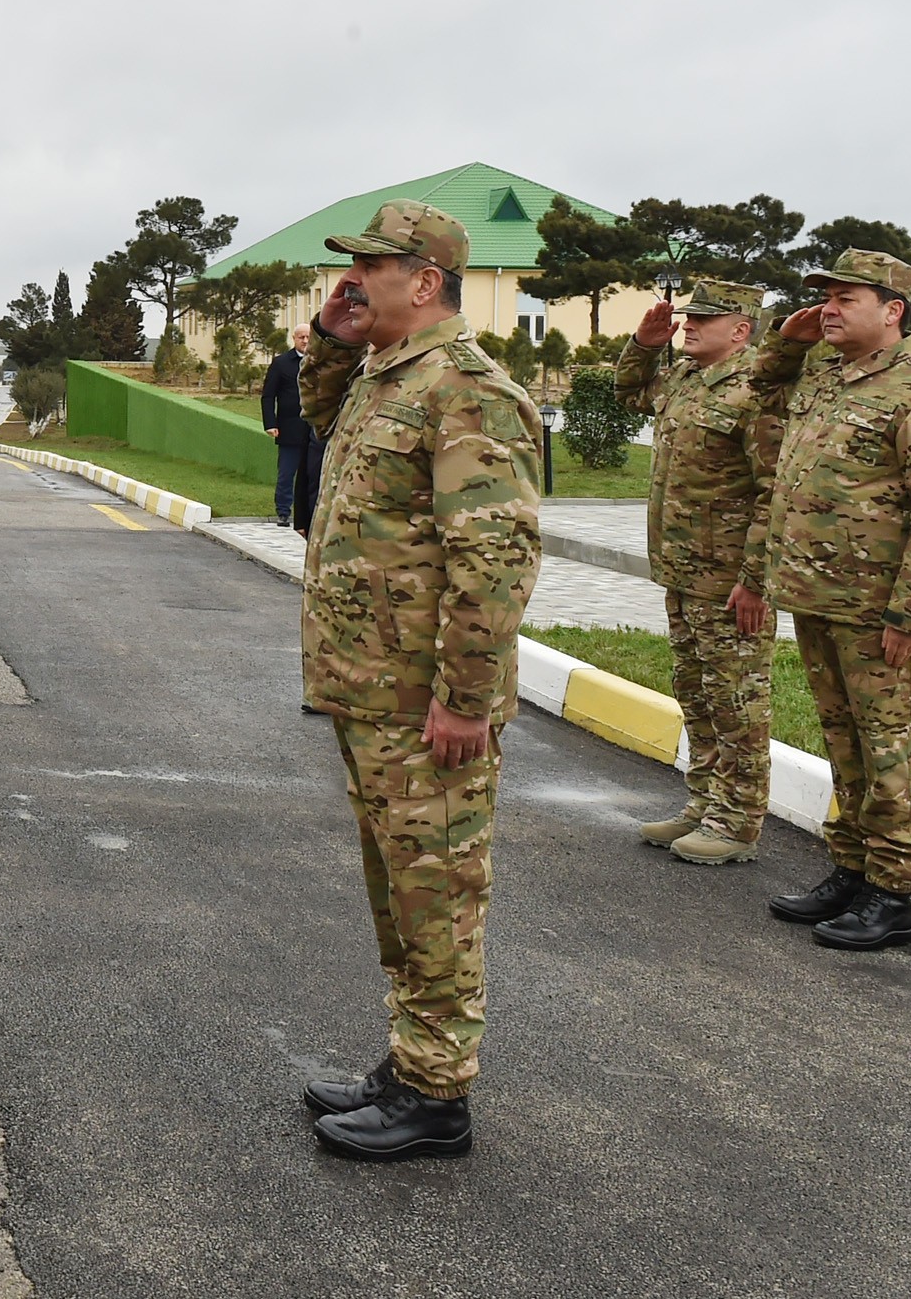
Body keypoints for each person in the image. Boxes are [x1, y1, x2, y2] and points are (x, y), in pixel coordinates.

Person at [292, 200, 542, 1161]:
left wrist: (464, 697)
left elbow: (493, 558)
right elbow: (318, 414)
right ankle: (411, 1061)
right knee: (400, 888)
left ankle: (438, 1095)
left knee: (437, 890)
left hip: (423, 702)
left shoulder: (467, 391)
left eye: (372, 269)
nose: (355, 282)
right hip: (369, 688)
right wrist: (329, 331)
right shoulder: (387, 377)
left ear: (425, 281)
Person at [749, 250, 911, 951]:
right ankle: (849, 869)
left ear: (893, 310)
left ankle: (893, 890)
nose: (828, 307)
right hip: (819, 596)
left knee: (888, 747)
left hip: (876, 611)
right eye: (824, 296)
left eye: (846, 298)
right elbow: (762, 392)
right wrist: (783, 340)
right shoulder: (828, 376)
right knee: (842, 741)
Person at [614, 280, 781, 864]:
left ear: (741, 329)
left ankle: (738, 821)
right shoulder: (686, 377)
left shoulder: (758, 390)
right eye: (691, 316)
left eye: (705, 319)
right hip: (682, 570)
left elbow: (773, 493)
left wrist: (756, 579)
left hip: (729, 579)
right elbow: (628, 392)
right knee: (696, 690)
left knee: (737, 699)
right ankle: (705, 801)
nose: (691, 324)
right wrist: (642, 342)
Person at [261, 321, 323, 534]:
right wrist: (270, 423)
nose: (305, 341)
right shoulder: (281, 363)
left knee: (313, 473)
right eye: (301, 337)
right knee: (286, 474)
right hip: (289, 428)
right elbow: (268, 396)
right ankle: (283, 511)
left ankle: (309, 514)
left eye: (308, 337)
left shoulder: (319, 361)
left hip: (315, 429)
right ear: (294, 339)